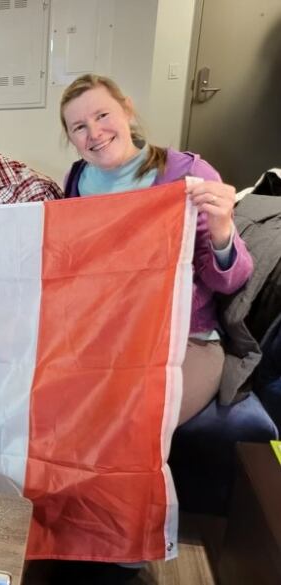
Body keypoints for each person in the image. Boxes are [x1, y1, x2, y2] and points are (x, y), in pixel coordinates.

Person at [59, 74, 253, 426]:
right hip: (107, 339)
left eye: (102, 115)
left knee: (130, 428)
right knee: (63, 415)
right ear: (72, 140)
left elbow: (230, 282)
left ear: (127, 110)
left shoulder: (186, 174)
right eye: (79, 127)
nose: (95, 132)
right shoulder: (77, 180)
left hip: (184, 341)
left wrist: (223, 227)